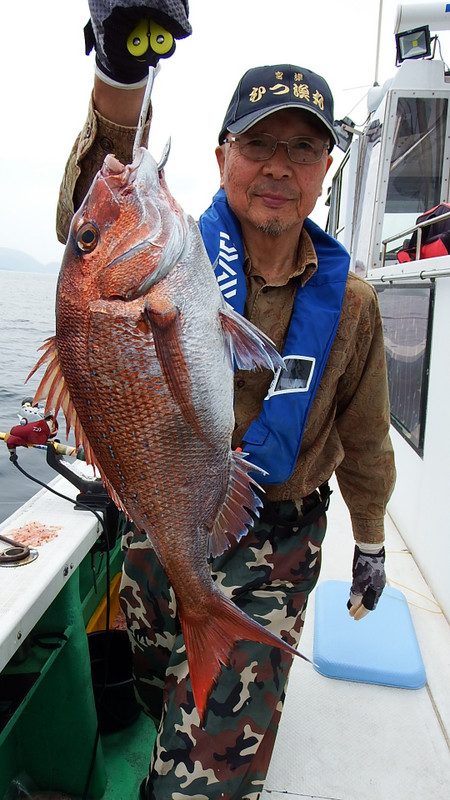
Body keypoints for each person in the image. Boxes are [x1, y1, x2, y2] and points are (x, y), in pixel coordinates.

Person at [56, 3, 396, 798]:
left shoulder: (353, 305)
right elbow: (95, 207)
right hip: (157, 511)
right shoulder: (174, 255)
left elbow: (369, 438)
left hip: (277, 532)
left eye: (304, 148)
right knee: (150, 688)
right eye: (259, 143)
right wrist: (120, 74)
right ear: (220, 157)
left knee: (198, 781)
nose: (280, 165)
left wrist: (372, 542)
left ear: (326, 171)